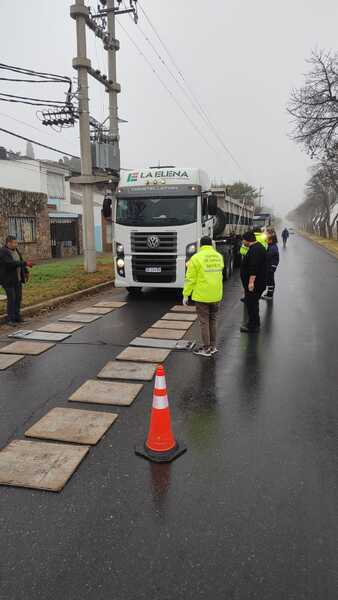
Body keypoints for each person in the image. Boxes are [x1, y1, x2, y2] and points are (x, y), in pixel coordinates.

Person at [183, 236, 224, 357]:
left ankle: (206, 348)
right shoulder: (218, 256)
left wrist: (186, 295)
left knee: (204, 322)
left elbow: (190, 279)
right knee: (213, 320)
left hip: (202, 296)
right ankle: (212, 346)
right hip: (216, 295)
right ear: (211, 244)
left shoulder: (196, 258)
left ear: (200, 245)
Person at [240, 230, 267, 333]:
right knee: (253, 303)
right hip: (257, 283)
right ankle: (255, 322)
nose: (243, 242)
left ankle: (252, 326)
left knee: (251, 304)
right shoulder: (257, 248)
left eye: (243, 240)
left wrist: (251, 283)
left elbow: (254, 268)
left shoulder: (255, 250)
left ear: (247, 240)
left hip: (255, 284)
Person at [0, 235, 29, 326]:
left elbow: (20, 260)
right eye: (14, 243)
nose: (16, 244)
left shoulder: (15, 250)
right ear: (8, 243)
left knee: (18, 298)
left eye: (16, 243)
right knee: (12, 298)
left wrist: (26, 271)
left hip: (17, 279)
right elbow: (10, 264)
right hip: (8, 280)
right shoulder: (3, 252)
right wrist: (24, 263)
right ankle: (10, 319)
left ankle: (17, 317)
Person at [262, 231, 279, 300]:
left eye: (267, 239)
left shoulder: (272, 248)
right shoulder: (271, 246)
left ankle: (270, 295)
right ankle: (269, 293)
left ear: (271, 240)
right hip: (270, 267)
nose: (266, 240)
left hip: (270, 267)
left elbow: (268, 257)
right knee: (270, 281)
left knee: (270, 281)